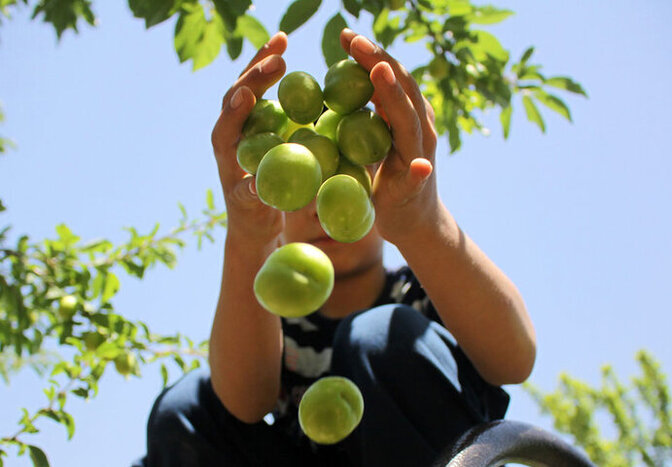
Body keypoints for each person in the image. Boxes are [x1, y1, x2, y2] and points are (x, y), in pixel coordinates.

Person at [132, 29, 537, 467]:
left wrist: (423, 224)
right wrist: (248, 239)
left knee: (384, 337)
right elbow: (242, 403)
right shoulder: (273, 322)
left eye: (343, 182)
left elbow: (513, 361)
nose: (321, 209)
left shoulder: (423, 296)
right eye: (303, 187)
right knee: (186, 407)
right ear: (274, 193)